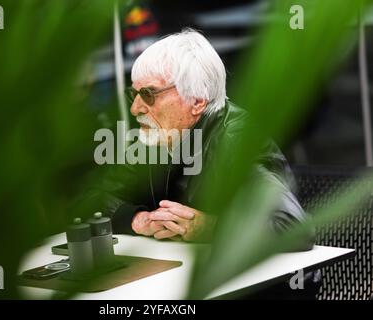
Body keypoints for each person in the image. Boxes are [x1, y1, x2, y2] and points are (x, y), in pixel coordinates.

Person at [81, 29, 321, 298]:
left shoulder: (236, 141)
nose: (136, 107)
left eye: (148, 94)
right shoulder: (154, 139)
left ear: (196, 102)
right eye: (133, 94)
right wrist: (137, 219)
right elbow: (91, 198)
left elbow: (293, 228)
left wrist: (207, 227)